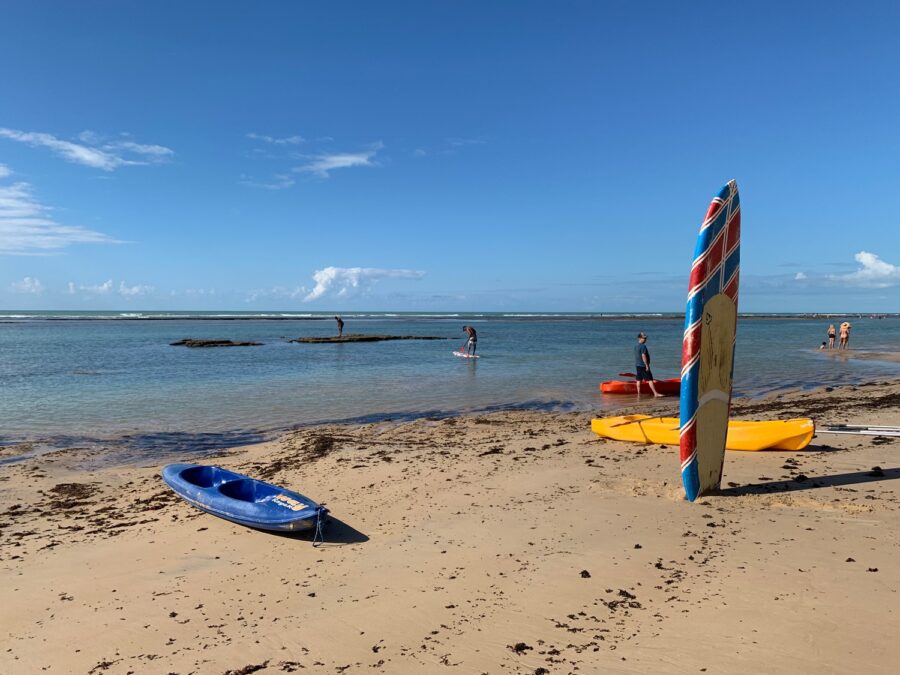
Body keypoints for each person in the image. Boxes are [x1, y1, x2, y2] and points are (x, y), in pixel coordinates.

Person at [634, 332, 663, 397]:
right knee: (650, 379)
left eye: (645, 338)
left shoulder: (636, 346)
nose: (645, 339)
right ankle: (655, 393)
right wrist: (646, 365)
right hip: (643, 365)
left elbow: (637, 356)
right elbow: (643, 355)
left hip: (637, 365)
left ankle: (638, 394)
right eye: (643, 338)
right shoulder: (643, 346)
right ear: (639, 338)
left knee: (639, 379)